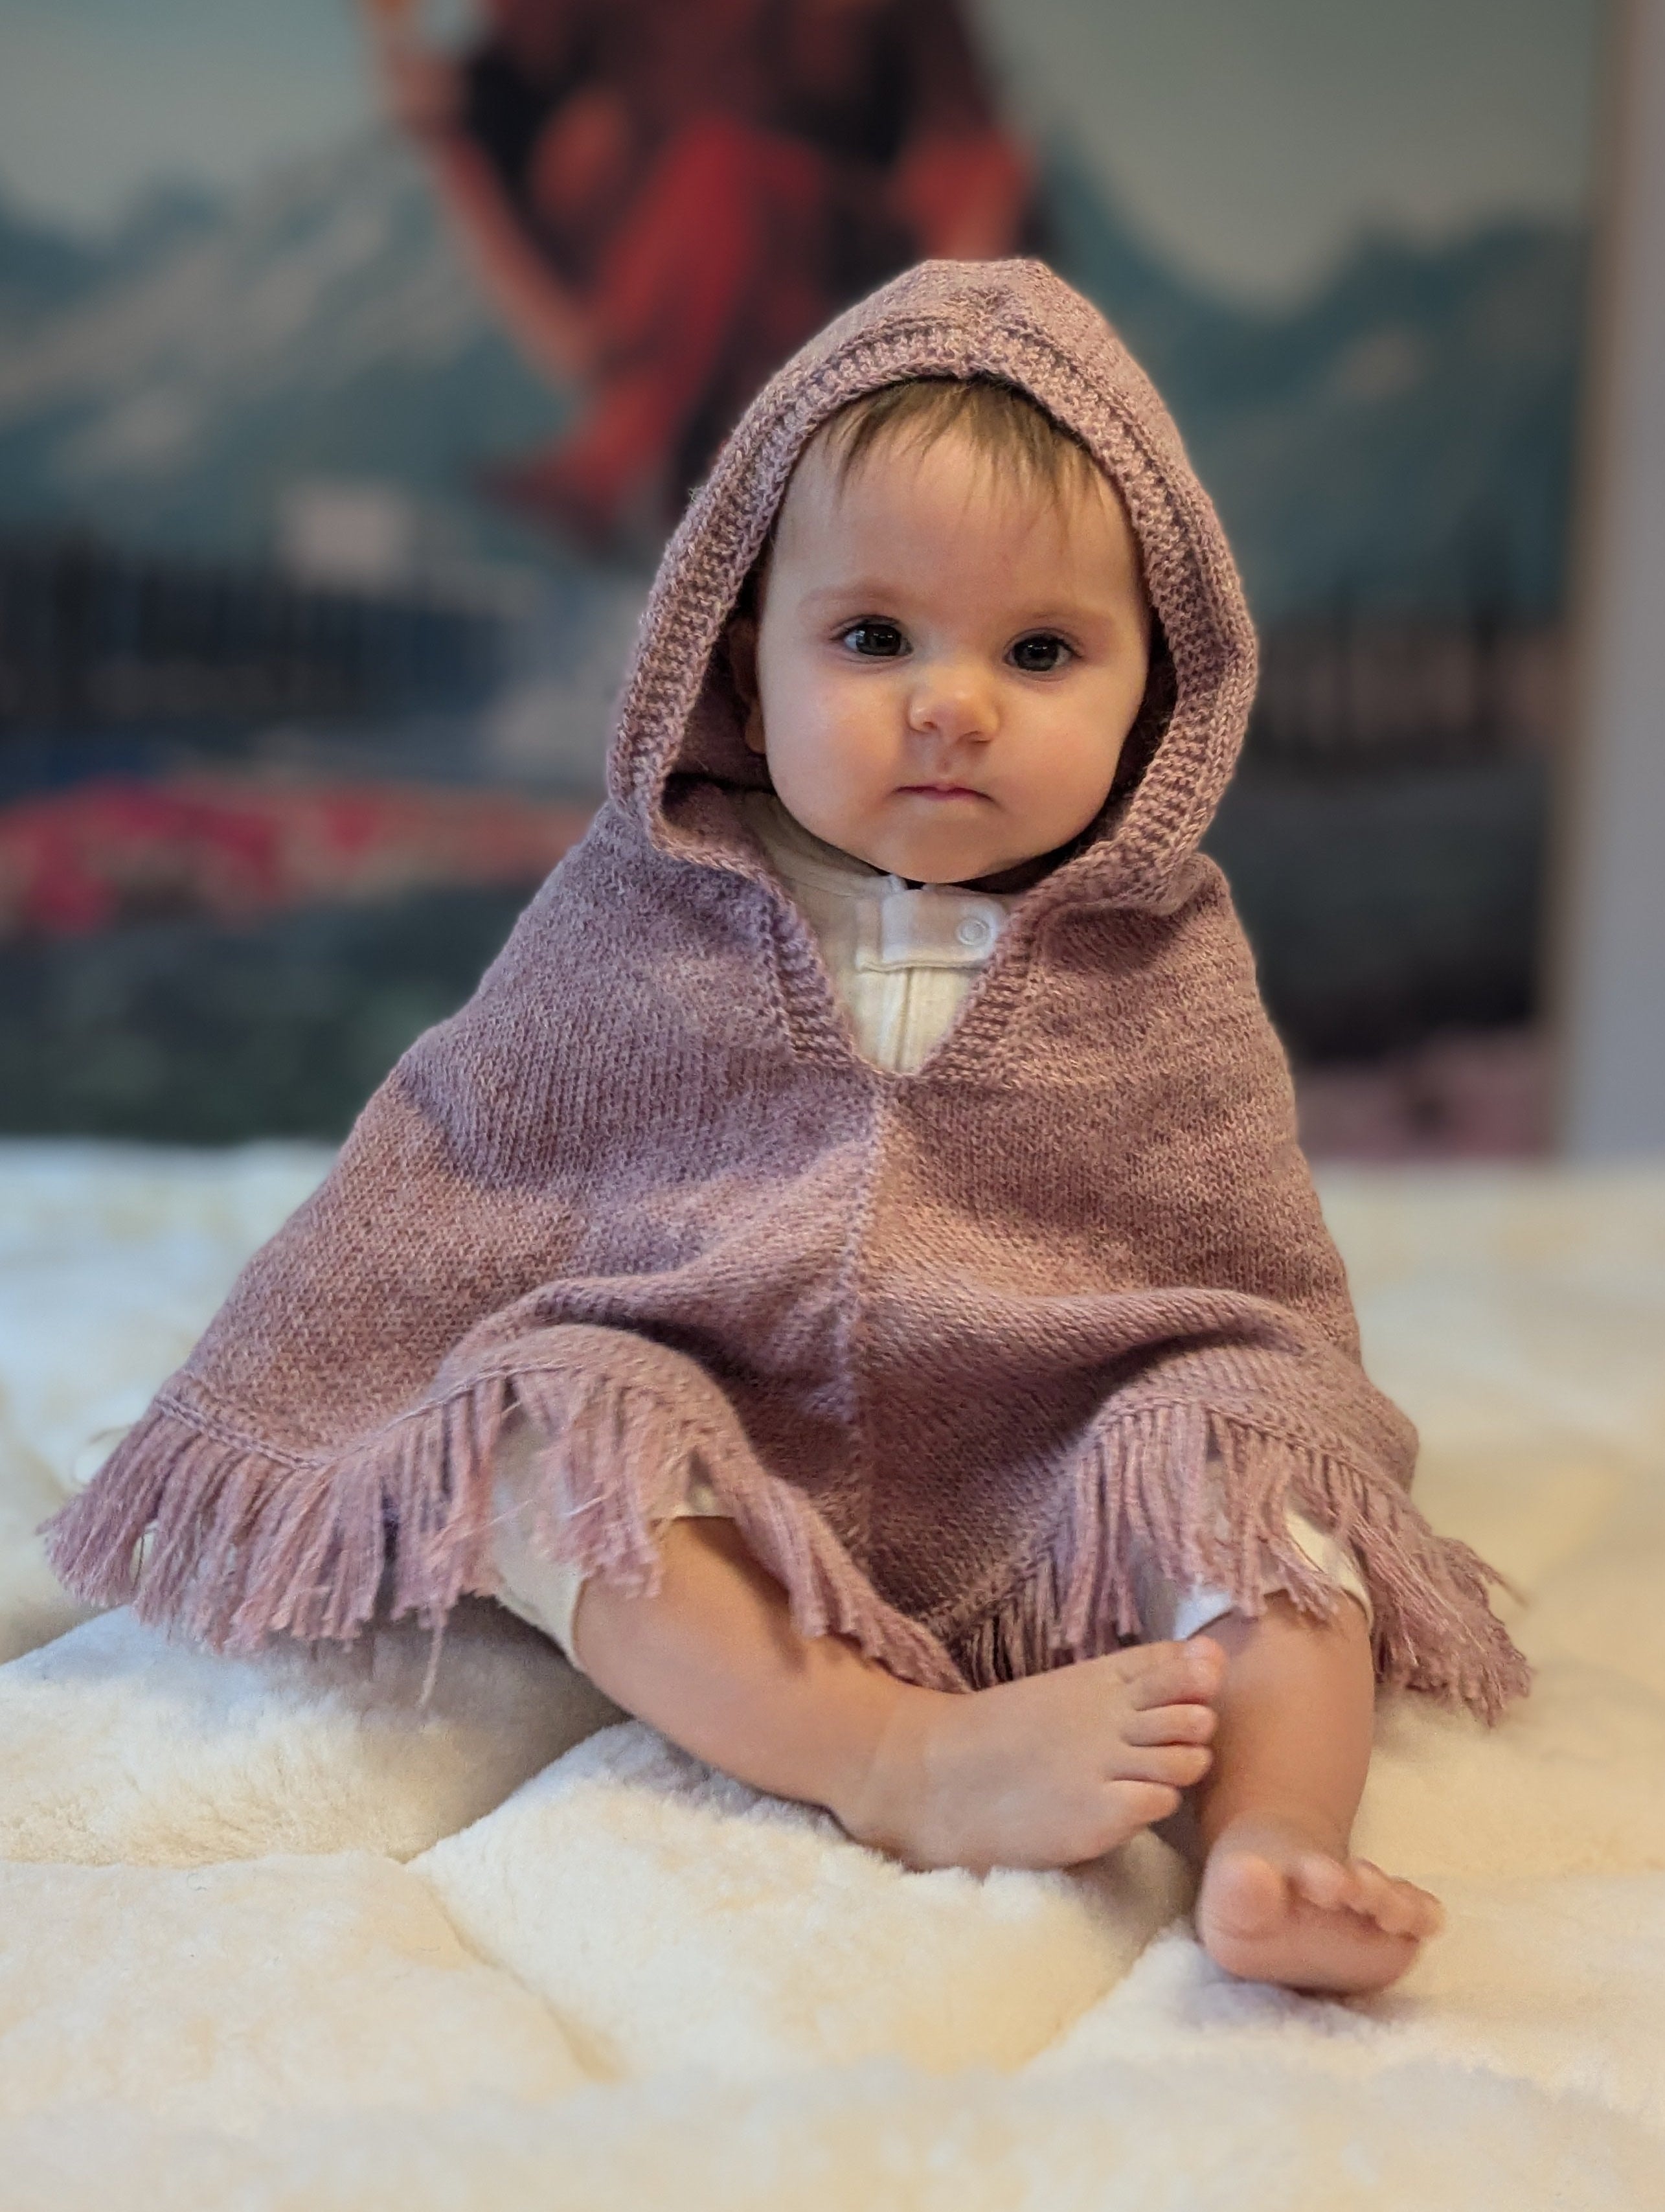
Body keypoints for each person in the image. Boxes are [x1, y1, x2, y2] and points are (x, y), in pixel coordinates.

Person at [45, 262, 1528, 1997]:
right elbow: (470, 1170)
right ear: (743, 655)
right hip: (711, 1403)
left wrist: (1239, 1417)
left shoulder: (1158, 948)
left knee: (1262, 1475)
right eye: (873, 635)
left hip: (1068, 1437)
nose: (949, 701)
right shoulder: (645, 908)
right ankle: (877, 1746)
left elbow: (1231, 1268)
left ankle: (1277, 1830)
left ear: (1157, 690)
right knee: (546, 1437)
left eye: (1039, 648)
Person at [366, 0, 1032, 547]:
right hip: (680, 289)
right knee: (622, 158)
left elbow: (974, 162)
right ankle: (650, 443)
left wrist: (928, 356)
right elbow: (501, 85)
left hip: (836, 262)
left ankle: (619, 453)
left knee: (719, 169)